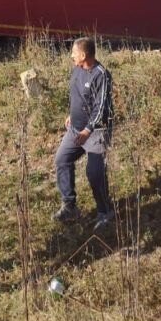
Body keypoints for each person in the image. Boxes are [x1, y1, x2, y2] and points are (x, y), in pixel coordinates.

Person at [53, 37, 114, 230]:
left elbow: (101, 106)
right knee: (62, 159)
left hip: (96, 131)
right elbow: (76, 95)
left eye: (73, 52)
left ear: (83, 55)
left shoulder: (101, 75)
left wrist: (88, 129)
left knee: (94, 173)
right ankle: (69, 205)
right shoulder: (77, 70)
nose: (71, 55)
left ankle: (105, 212)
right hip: (75, 129)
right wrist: (71, 115)